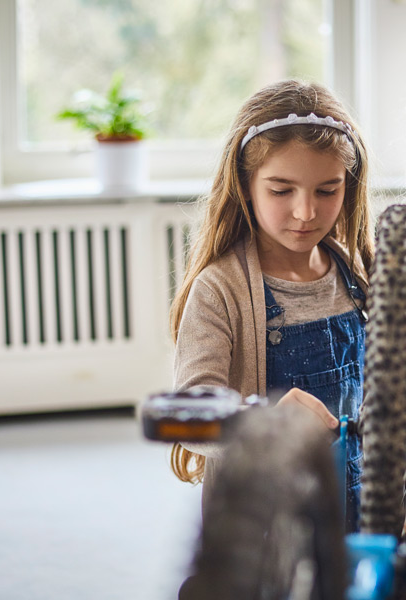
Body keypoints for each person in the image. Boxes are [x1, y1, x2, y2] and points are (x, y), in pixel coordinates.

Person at [168, 79, 374, 533]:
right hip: (262, 519)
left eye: (327, 190)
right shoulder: (219, 289)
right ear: (245, 186)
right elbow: (189, 416)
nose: (306, 212)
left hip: (356, 502)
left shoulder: (359, 273)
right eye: (281, 190)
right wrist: (260, 423)